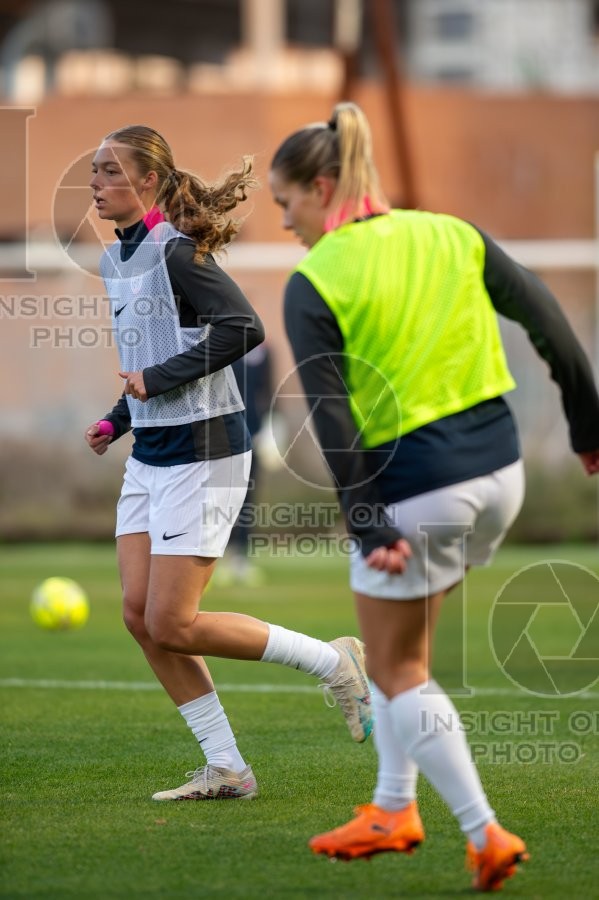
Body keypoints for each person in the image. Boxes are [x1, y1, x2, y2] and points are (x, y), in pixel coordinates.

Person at [269, 101, 599, 890]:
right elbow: (548, 319)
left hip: (418, 492)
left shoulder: (315, 278)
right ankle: (390, 808)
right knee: (401, 654)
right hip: (500, 478)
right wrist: (588, 426)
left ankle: (484, 833)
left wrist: (365, 520)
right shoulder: (452, 233)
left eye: (285, 204)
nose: (283, 223)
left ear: (322, 187)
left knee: (395, 668)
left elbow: (332, 411)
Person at [84, 124, 373, 803]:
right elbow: (150, 356)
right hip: (151, 454)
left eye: (107, 172)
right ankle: (227, 768)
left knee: (174, 624)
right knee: (138, 614)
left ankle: (335, 663)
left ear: (148, 182)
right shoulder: (113, 260)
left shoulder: (176, 253)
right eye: (93, 172)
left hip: (206, 451)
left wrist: (152, 383)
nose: (93, 183)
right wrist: (116, 418)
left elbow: (243, 327)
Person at [216, 342, 274, 586]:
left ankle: (241, 558)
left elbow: (268, 392)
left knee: (247, 498)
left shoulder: (266, 353)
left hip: (254, 435)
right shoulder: (226, 349)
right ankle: (216, 555)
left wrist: (271, 430)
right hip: (225, 434)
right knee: (221, 497)